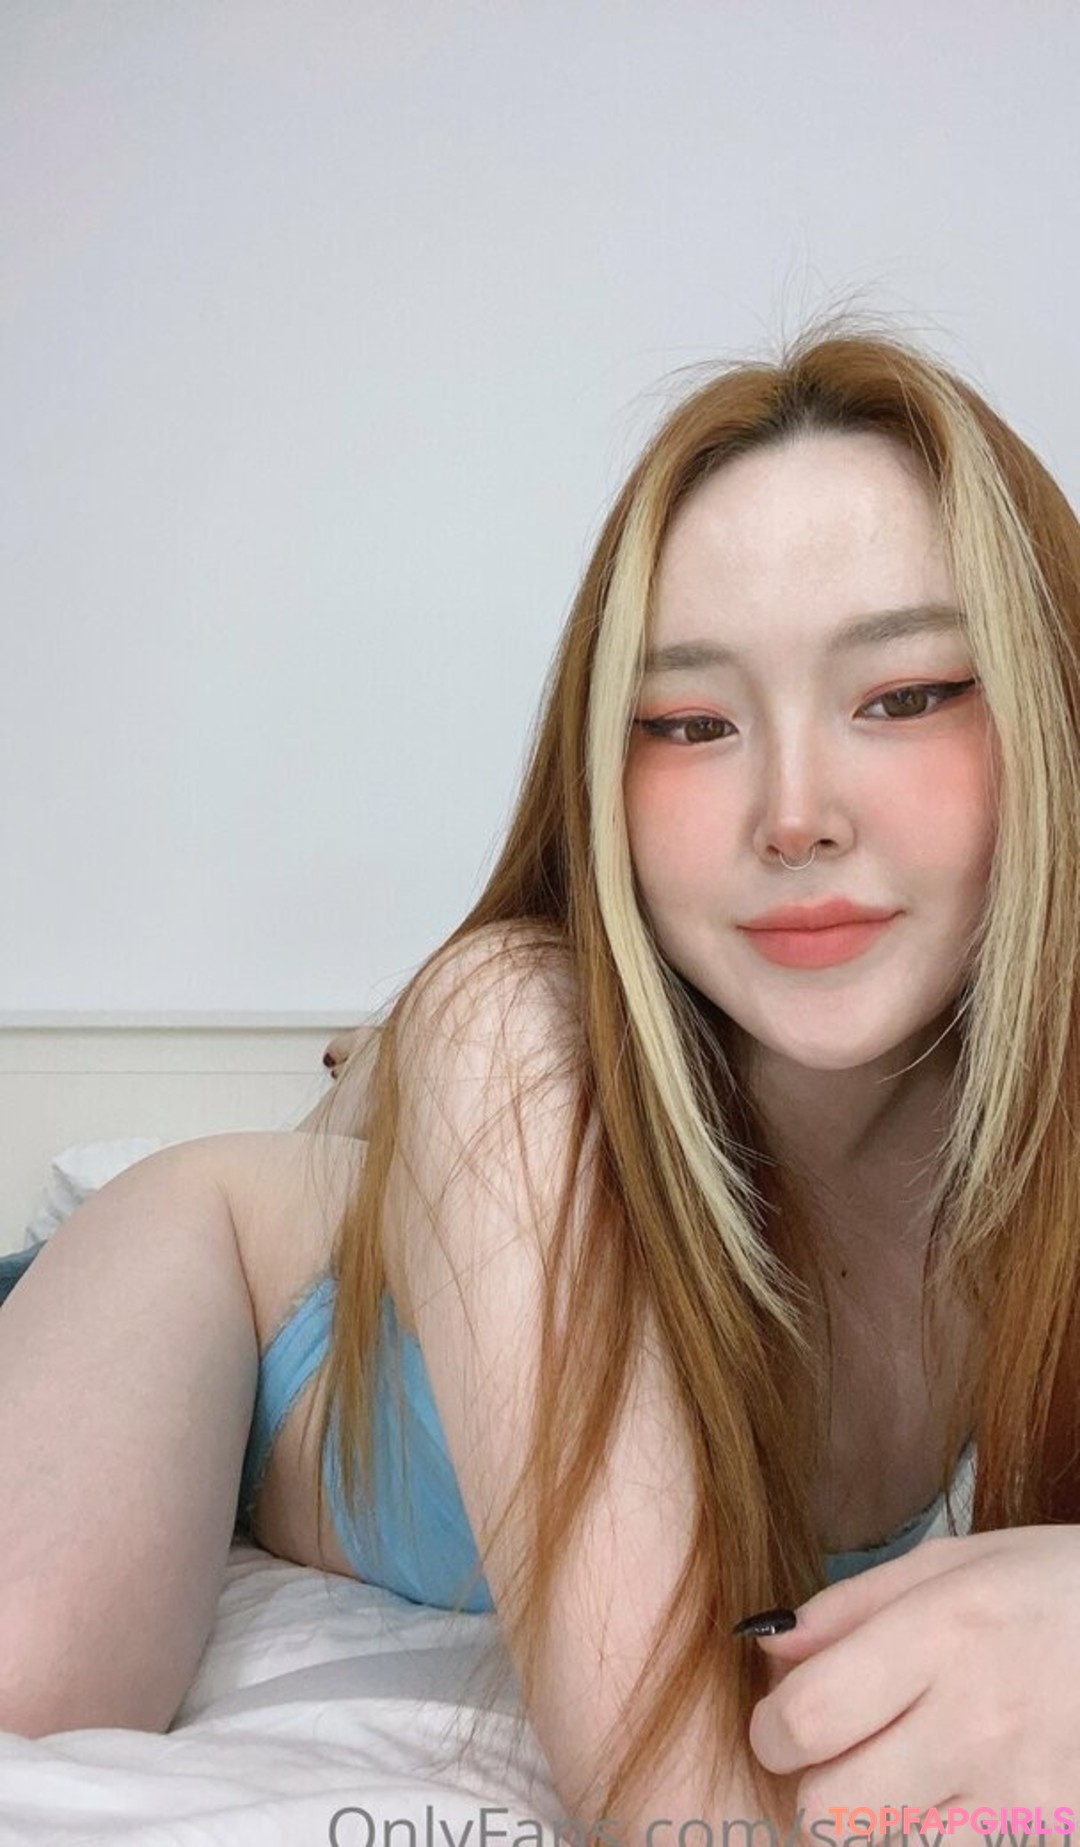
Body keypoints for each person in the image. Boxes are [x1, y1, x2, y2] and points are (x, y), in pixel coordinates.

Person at [3, 307, 1080, 1845]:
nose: (795, 813)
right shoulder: (515, 1032)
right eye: (690, 723)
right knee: (31, 1678)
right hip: (228, 1265)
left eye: (905, 695)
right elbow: (686, 1816)